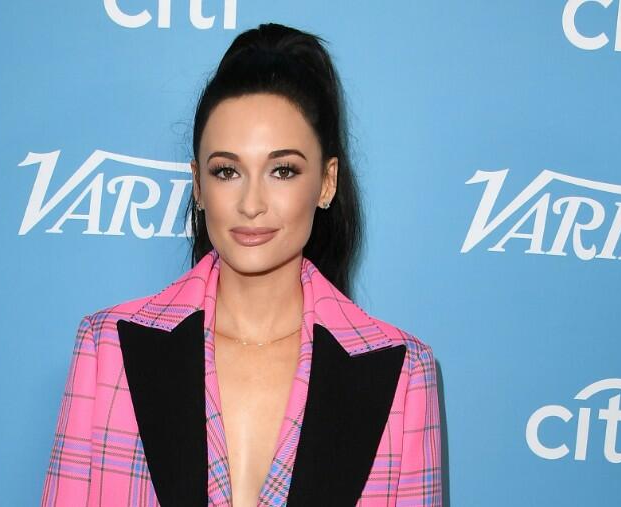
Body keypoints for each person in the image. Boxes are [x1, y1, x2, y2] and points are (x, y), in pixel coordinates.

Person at [41, 23, 443, 507]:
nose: (252, 203)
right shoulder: (107, 349)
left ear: (327, 182)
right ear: (198, 183)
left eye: (283, 170)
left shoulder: (402, 372)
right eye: (227, 171)